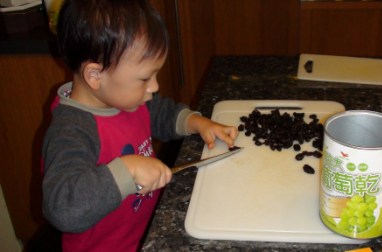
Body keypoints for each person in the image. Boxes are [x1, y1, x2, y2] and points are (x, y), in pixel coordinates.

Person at [41, 0, 238, 251]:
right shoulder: (71, 131)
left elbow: (157, 112)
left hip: (145, 234)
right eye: (145, 78)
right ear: (94, 76)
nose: (154, 87)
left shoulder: (125, 99)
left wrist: (196, 122)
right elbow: (62, 207)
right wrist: (127, 170)